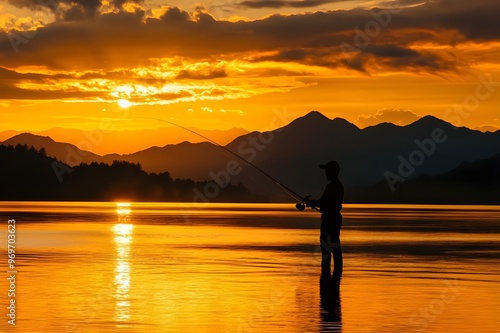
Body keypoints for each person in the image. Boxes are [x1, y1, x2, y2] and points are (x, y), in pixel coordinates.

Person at [305, 160, 344, 276]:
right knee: (334, 245)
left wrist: (312, 203)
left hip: (330, 219)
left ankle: (328, 273)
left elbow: (323, 202)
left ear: (334, 171)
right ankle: (336, 273)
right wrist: (313, 203)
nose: (325, 173)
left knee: (329, 246)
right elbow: (324, 203)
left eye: (327, 170)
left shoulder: (332, 186)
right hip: (334, 218)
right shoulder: (336, 186)